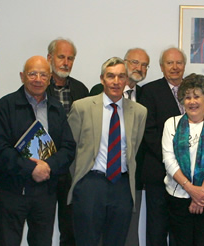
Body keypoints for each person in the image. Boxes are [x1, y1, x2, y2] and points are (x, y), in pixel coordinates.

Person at [0, 56, 76, 246]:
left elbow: (68, 148)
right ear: (22, 76)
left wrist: (48, 166)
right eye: (32, 74)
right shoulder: (5, 106)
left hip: (45, 193)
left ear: (50, 77)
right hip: (10, 192)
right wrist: (31, 168)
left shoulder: (56, 108)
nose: (38, 79)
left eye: (43, 75)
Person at [67, 57, 147, 246]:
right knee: (86, 241)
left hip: (122, 186)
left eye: (121, 76)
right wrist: (80, 181)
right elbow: (70, 149)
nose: (116, 82)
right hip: (90, 185)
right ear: (102, 79)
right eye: (111, 76)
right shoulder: (82, 108)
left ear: (127, 80)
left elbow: (134, 149)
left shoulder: (139, 111)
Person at [90, 48, 150, 246]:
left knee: (125, 234)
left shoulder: (146, 97)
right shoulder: (96, 96)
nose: (139, 68)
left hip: (128, 179)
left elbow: (140, 140)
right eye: (134, 62)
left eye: (144, 65)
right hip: (97, 180)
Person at [161, 73, 204, 245]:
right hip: (178, 198)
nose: (192, 102)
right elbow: (169, 160)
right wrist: (192, 190)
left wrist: (201, 195)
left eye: (197, 96)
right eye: (187, 97)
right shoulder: (172, 123)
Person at [138, 47, 187, 246]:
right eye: (169, 63)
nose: (174, 67)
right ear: (161, 67)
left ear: (184, 66)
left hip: (187, 176)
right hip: (159, 172)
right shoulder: (150, 91)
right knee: (157, 230)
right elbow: (148, 133)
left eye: (179, 63)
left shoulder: (192, 90)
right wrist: (171, 161)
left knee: (181, 230)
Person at [45, 37, 89, 246]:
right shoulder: (38, 88)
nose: (66, 62)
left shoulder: (81, 90)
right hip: (43, 167)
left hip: (71, 169)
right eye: (61, 57)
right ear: (50, 58)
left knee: (70, 228)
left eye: (70, 58)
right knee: (41, 227)